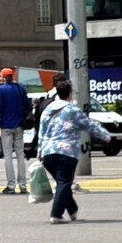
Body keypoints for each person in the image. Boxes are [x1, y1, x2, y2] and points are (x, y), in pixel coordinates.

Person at [35, 76, 89, 222]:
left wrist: (40, 150)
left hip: (48, 152)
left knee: (61, 181)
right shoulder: (71, 109)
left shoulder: (47, 107)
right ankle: (56, 214)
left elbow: (42, 130)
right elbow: (87, 125)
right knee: (64, 182)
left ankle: (72, 210)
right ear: (70, 93)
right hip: (66, 152)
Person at [0, 68, 32, 195]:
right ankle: (23, 185)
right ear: (12, 76)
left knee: (8, 155)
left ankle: (11, 185)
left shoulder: (1, 90)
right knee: (20, 155)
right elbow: (28, 105)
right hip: (19, 125)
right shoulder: (20, 88)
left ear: (3, 77)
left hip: (6, 125)